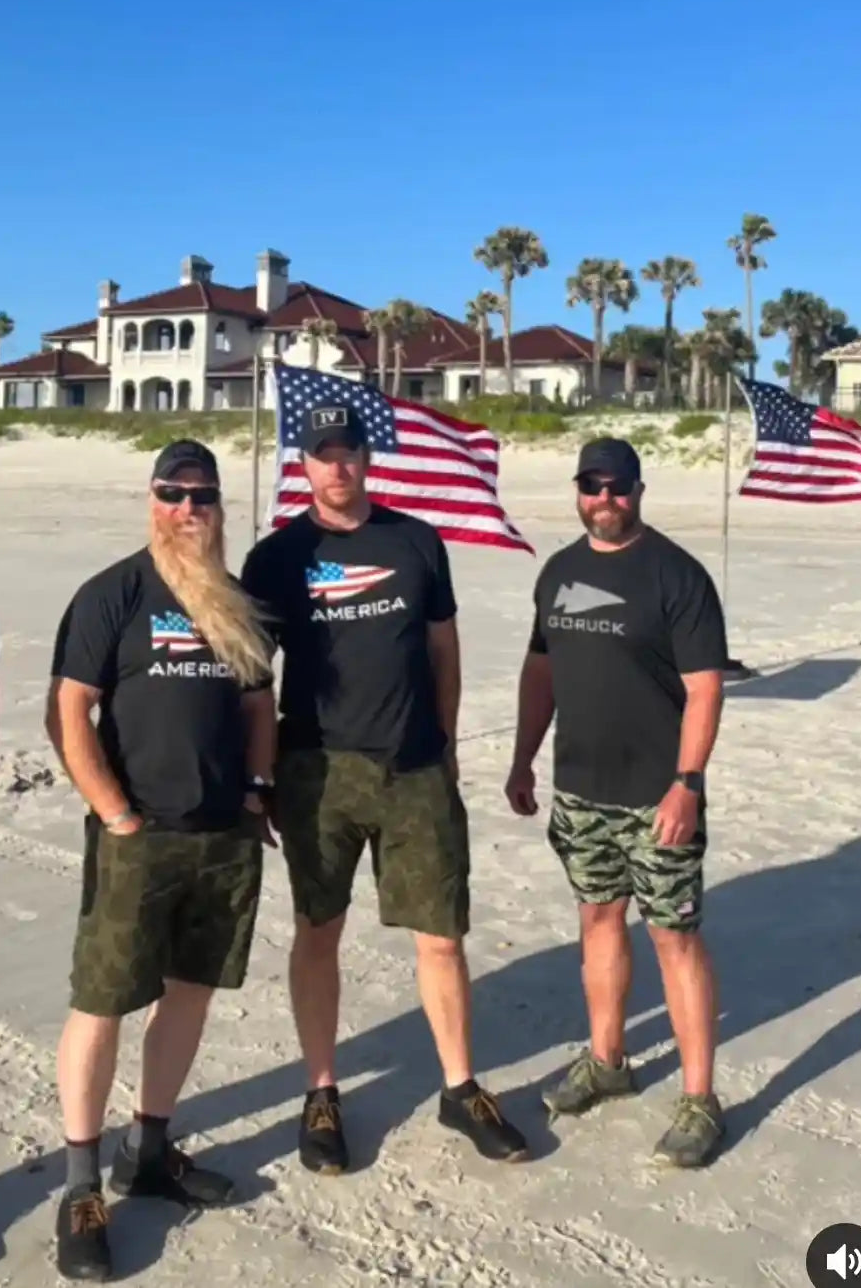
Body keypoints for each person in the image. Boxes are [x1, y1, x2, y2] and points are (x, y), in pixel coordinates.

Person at [240, 401, 528, 1177]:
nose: (338, 465)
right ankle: (321, 1092)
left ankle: (459, 1086)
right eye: (322, 452)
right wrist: (256, 775)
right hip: (316, 770)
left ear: (368, 458)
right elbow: (251, 679)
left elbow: (443, 645)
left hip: (414, 768)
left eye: (349, 451)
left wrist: (445, 742)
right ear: (303, 465)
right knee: (317, 930)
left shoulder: (414, 541)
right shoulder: (275, 558)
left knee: (440, 934)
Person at [46, 440, 277, 1282]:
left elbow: (259, 703)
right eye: (174, 494)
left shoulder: (238, 603)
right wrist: (113, 812)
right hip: (137, 835)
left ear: (219, 506)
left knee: (189, 996)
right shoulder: (114, 593)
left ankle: (148, 1151)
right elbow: (70, 712)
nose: (189, 510)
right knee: (101, 1003)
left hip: (223, 836)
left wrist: (257, 790)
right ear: (151, 500)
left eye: (203, 497)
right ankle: (79, 1186)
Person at [505, 437, 728, 1167]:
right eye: (592, 486)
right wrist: (521, 760)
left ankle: (699, 1099)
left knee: (673, 937)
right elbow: (540, 671)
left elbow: (703, 688)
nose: (605, 499)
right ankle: (607, 1060)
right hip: (579, 790)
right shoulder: (560, 571)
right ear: (578, 490)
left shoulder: (675, 574)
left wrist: (686, 784)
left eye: (618, 487)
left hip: (656, 795)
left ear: (638, 489)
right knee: (598, 919)